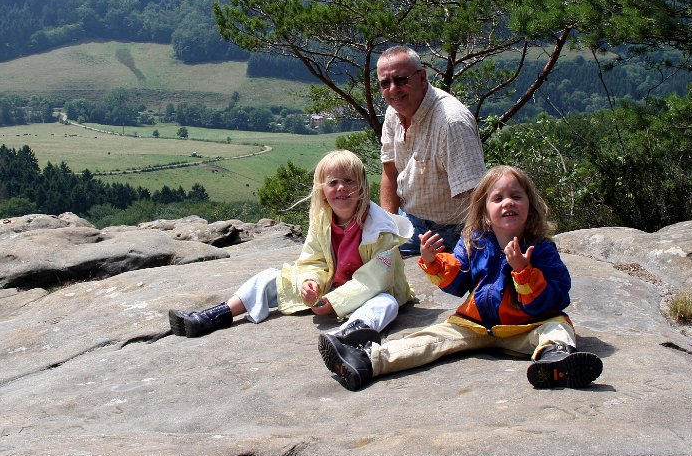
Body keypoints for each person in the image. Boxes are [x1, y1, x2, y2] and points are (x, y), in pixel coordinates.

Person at [318, 165, 603, 391]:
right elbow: (458, 283)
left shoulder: (541, 248)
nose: (508, 203)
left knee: (557, 326)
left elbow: (557, 296)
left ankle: (555, 360)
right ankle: (367, 361)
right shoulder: (475, 242)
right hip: (476, 325)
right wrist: (434, 262)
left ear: (530, 207)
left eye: (517, 196)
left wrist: (524, 272)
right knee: (431, 338)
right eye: (498, 198)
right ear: (485, 211)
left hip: (525, 328)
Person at [168, 149, 415, 343]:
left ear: (362, 186)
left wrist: (335, 301)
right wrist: (310, 283)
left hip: (366, 294)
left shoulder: (381, 228)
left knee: (386, 304)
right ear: (322, 190)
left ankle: (345, 338)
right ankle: (215, 316)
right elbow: (313, 259)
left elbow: (376, 279)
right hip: (330, 288)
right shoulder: (322, 219)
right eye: (333, 182)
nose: (341, 188)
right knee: (268, 277)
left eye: (349, 181)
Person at [378, 46, 487, 256]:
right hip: (409, 221)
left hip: (453, 231)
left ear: (422, 77)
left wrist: (470, 251)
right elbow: (390, 170)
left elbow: (476, 196)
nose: (393, 89)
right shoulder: (393, 112)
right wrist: (387, 228)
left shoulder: (451, 122)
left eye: (400, 80)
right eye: (385, 83)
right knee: (362, 254)